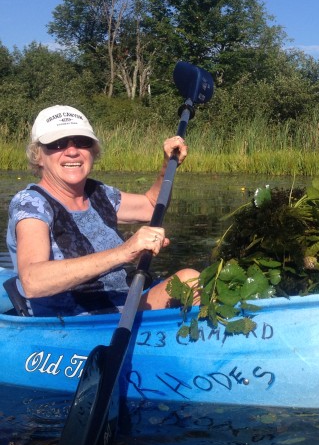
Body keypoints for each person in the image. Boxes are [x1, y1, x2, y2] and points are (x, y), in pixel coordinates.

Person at [6, 105, 199, 316]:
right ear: (39, 156)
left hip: (120, 307)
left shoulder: (98, 193)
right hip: (71, 322)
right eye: (58, 143)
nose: (72, 151)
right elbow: (32, 281)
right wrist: (125, 252)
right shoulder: (31, 203)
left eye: (82, 142)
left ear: (93, 151)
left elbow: (151, 206)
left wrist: (167, 165)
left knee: (189, 279)